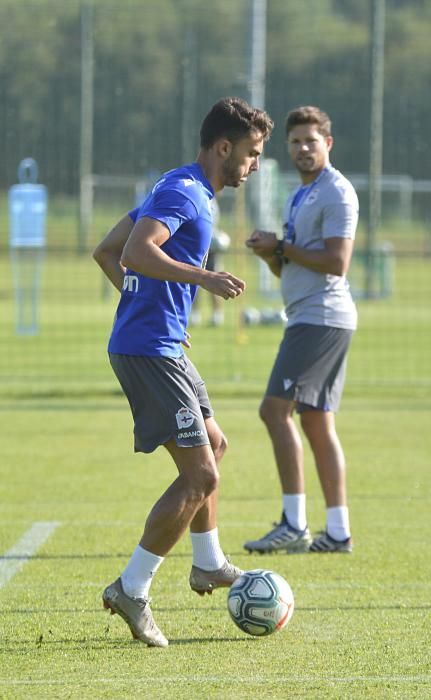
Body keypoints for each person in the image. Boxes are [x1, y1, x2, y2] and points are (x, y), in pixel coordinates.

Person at [93, 97, 273, 647]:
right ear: (224, 147)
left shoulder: (179, 183)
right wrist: (202, 279)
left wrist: (154, 309)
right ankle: (132, 587)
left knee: (215, 446)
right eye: (252, 153)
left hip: (160, 342)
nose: (255, 164)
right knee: (201, 478)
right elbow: (137, 253)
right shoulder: (184, 191)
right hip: (149, 350)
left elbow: (107, 251)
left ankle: (209, 563)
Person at [244, 105, 358, 555]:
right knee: (315, 422)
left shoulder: (337, 193)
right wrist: (270, 255)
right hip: (310, 315)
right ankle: (338, 532)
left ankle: (293, 523)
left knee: (274, 411)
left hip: (321, 318)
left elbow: (336, 262)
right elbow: (288, 268)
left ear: (327, 144)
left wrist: (282, 246)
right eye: (295, 142)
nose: (303, 148)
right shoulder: (301, 194)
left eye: (311, 140)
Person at [190, 197, 230, 327]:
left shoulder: (211, 201)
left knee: (215, 280)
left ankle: (217, 315)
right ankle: (195, 314)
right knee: (194, 281)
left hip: (211, 249)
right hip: (197, 247)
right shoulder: (198, 197)